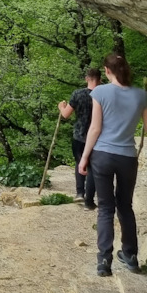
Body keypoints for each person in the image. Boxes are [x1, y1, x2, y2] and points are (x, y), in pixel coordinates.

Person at [78, 51, 147, 277]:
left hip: (102, 155)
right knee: (125, 206)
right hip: (127, 157)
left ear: (107, 71)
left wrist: (84, 158)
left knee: (105, 208)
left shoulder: (100, 92)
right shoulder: (141, 95)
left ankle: (104, 260)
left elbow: (95, 128)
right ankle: (130, 256)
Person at [58, 67, 101, 209]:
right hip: (97, 135)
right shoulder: (102, 94)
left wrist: (61, 107)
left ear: (86, 78)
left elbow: (66, 114)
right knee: (93, 166)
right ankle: (91, 197)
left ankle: (79, 193)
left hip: (79, 134)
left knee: (79, 163)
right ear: (100, 79)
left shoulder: (78, 94)